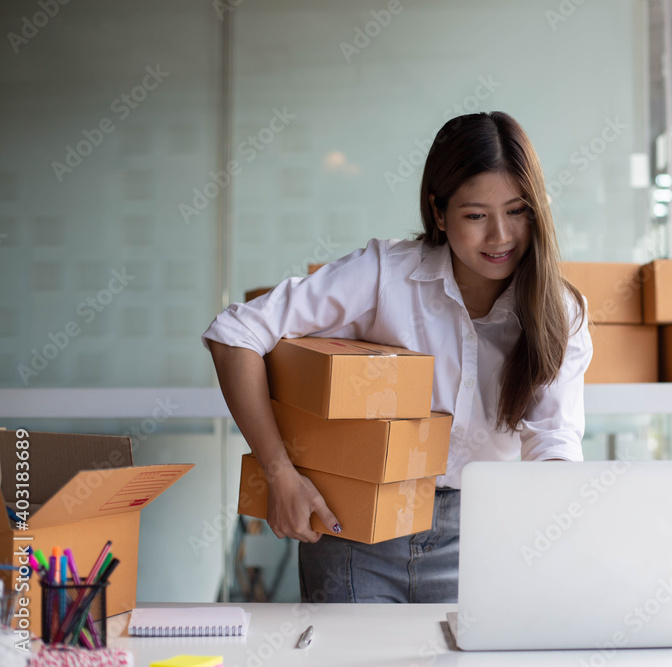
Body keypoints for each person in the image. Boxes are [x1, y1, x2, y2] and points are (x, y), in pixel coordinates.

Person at [202, 111, 593, 604]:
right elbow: (234, 333)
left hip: (483, 539)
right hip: (356, 534)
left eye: (517, 211)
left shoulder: (559, 312)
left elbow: (553, 440)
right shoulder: (385, 274)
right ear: (439, 212)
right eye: (476, 215)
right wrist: (279, 473)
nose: (501, 236)